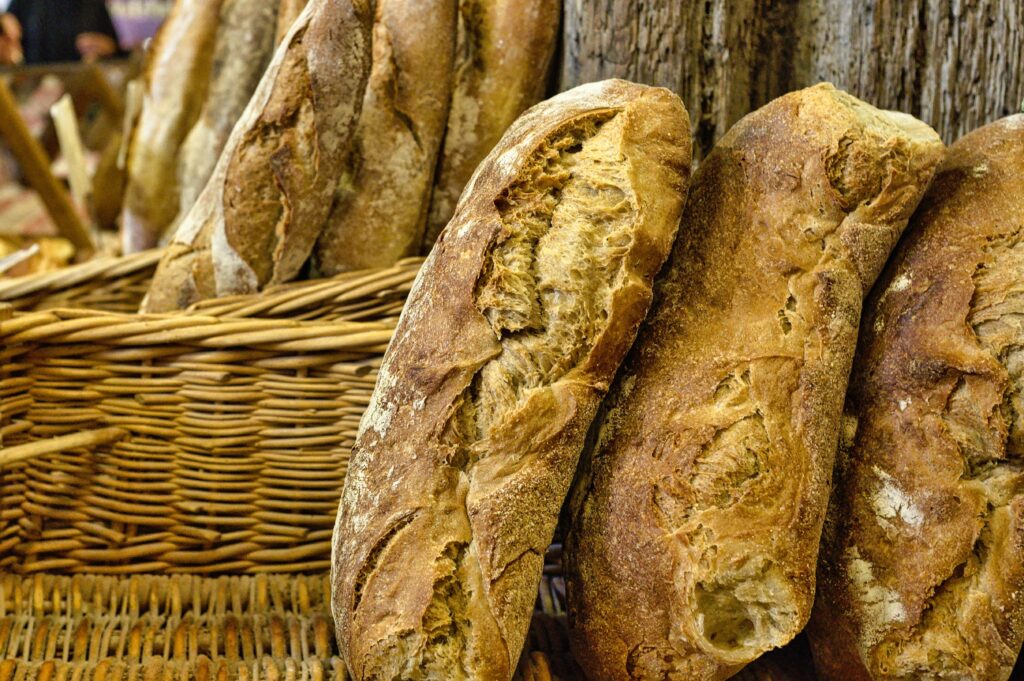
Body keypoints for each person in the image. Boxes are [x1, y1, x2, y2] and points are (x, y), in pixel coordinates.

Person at [0, 0, 121, 65]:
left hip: (81, 89)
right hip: (33, 90)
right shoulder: (26, 3)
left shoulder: (93, 4)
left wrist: (107, 48)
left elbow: (115, 50)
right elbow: (8, 25)